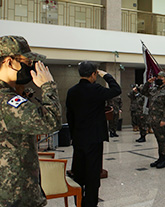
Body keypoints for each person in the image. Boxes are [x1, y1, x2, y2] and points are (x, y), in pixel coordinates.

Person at [0, 35, 62, 207]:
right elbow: (51, 122)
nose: (30, 68)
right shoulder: (6, 101)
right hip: (14, 196)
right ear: (9, 62)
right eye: (27, 63)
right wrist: (48, 86)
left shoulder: (10, 96)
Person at [66, 61, 121, 206]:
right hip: (94, 138)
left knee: (78, 172)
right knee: (92, 173)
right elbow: (116, 90)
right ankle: (90, 203)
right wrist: (107, 76)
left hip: (78, 138)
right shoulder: (96, 89)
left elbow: (69, 116)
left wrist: (73, 135)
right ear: (93, 74)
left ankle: (78, 200)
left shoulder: (72, 91)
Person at [141, 71, 165, 168]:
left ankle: (164, 159)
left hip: (161, 119)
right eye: (158, 77)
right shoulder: (154, 89)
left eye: (161, 78)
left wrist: (164, 119)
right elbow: (143, 92)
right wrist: (148, 83)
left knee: (163, 139)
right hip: (153, 119)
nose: (159, 79)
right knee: (158, 139)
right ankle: (160, 158)